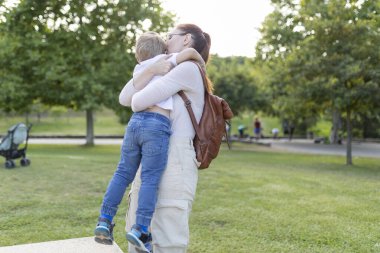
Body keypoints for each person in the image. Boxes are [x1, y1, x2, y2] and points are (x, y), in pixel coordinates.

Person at [94, 31, 205, 251]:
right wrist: (155, 68)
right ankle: (140, 229)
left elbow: (133, 100)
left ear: (186, 38)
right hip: (156, 129)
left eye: (171, 34)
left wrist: (148, 70)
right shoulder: (164, 63)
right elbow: (128, 99)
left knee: (122, 174)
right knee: (148, 181)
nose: (167, 38)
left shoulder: (180, 68)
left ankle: (105, 219)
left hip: (143, 131)